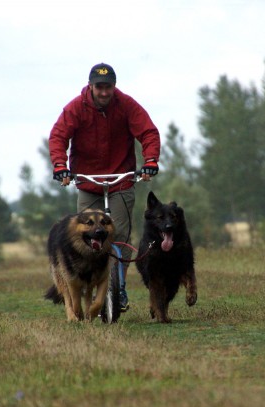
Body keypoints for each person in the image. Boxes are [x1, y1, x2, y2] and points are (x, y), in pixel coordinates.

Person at [47, 62, 161, 312]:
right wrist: (60, 165)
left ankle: (119, 288)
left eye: (108, 87)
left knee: (118, 236)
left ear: (114, 86)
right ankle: (86, 286)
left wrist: (150, 160)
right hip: (88, 183)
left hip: (121, 180)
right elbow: (58, 136)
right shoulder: (76, 108)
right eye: (99, 87)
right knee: (85, 236)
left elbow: (149, 132)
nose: (104, 92)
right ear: (90, 86)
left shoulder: (126, 105)